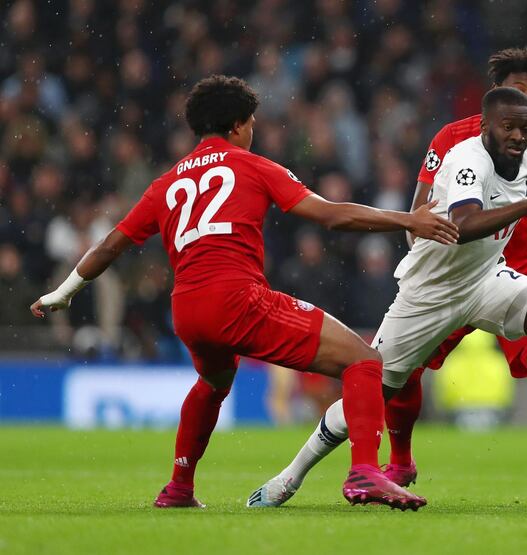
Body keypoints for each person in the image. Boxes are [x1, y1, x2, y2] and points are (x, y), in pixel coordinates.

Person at [30, 75, 460, 511]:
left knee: (213, 382)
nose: (253, 132)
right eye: (251, 123)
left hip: (188, 311)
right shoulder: (252, 166)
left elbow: (109, 246)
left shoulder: (165, 184)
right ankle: (365, 472)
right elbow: (330, 216)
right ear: (237, 126)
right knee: (365, 361)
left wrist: (63, 292)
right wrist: (406, 220)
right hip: (237, 299)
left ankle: (179, 488)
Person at [256, 48, 527, 508]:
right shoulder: (462, 150)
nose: (524, 122)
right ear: (491, 103)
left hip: (494, 276)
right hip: (435, 288)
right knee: (380, 386)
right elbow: (456, 222)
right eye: (515, 104)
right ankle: (292, 476)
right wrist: (526, 205)